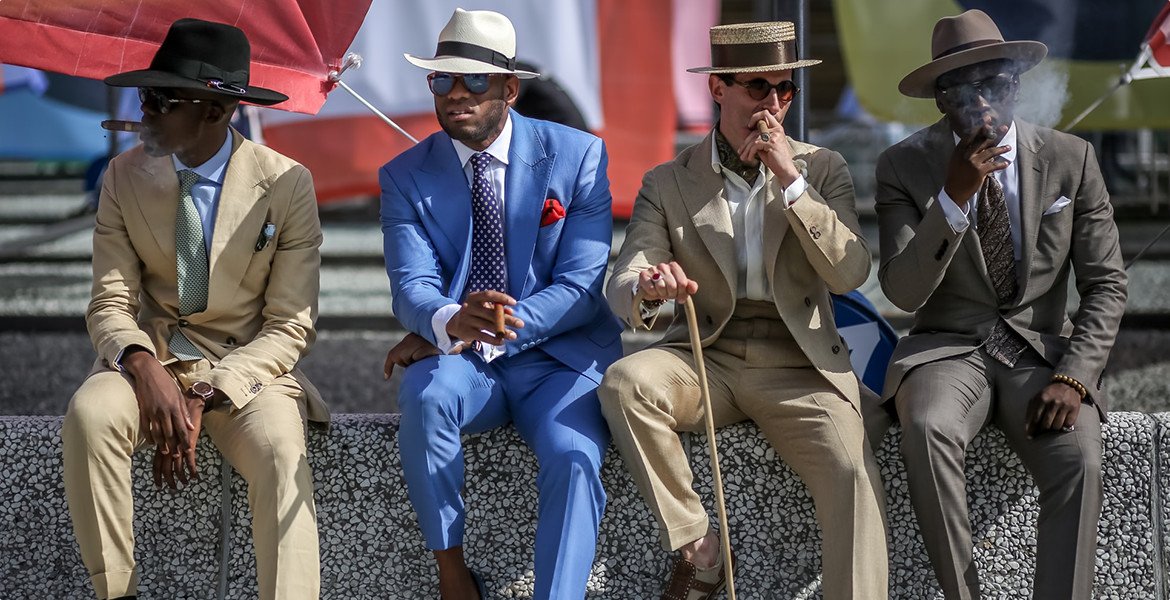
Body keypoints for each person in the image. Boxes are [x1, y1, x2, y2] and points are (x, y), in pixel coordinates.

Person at [598, 21, 888, 600]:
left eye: (786, 89)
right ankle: (700, 550)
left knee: (853, 474)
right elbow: (625, 276)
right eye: (758, 87)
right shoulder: (669, 180)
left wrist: (792, 181)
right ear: (718, 88)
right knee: (625, 383)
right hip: (710, 355)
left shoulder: (822, 167)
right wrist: (650, 287)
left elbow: (851, 272)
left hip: (800, 362)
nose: (773, 103)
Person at [61, 18, 328, 600]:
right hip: (150, 359)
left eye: (162, 99)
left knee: (282, 454)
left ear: (215, 110)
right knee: (89, 413)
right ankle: (117, 591)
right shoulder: (122, 175)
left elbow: (289, 325)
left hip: (246, 371)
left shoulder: (287, 184)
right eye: (145, 94)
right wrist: (142, 366)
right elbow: (109, 302)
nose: (144, 109)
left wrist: (209, 391)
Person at [875, 10, 1127, 599]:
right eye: (961, 89)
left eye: (995, 82)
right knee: (926, 427)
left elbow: (1107, 284)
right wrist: (952, 199)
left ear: (1017, 83)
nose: (981, 102)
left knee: (1080, 462)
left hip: (1039, 355)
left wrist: (1075, 376)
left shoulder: (1070, 158)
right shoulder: (904, 166)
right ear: (941, 100)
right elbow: (903, 291)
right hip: (948, 351)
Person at [378, 8, 623, 600]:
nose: (456, 93)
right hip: (462, 361)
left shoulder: (579, 155)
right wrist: (445, 320)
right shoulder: (403, 175)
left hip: (559, 359)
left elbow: (582, 286)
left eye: (474, 80)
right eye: (442, 79)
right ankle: (452, 573)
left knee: (574, 458)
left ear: (510, 89)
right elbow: (411, 285)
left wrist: (491, 323)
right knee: (426, 397)